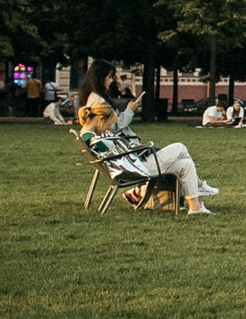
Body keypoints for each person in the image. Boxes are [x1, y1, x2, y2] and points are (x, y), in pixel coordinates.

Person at [77, 67, 219, 214]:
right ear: (100, 119)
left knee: (186, 164)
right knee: (180, 147)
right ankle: (197, 185)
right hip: (136, 168)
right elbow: (117, 152)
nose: (109, 128)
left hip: (133, 165)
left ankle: (195, 207)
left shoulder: (88, 135)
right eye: (107, 124)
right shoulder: (96, 138)